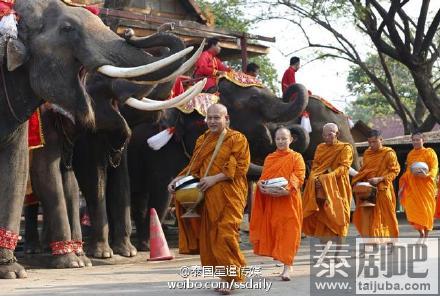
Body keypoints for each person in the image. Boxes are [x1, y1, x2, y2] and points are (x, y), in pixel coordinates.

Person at [168, 104, 250, 294]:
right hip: (208, 197)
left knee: (225, 234)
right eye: (209, 118)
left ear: (226, 118)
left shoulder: (237, 138)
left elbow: (240, 167)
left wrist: (214, 178)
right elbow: (194, 168)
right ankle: (225, 277)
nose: (212, 121)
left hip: (230, 195)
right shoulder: (203, 140)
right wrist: (178, 180)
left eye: (216, 118)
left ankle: (230, 278)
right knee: (211, 237)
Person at [250, 127, 305, 281]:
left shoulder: (296, 157)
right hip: (273, 201)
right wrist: (261, 185)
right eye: (278, 139)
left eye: (284, 138)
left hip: (289, 200)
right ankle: (283, 260)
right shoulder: (270, 158)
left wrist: (287, 190)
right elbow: (265, 176)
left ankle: (287, 266)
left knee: (289, 232)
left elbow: (299, 176)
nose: (281, 141)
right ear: (275, 140)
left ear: (291, 140)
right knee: (276, 231)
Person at [302, 123, 353, 241]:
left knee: (340, 218)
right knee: (322, 219)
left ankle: (337, 255)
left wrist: (326, 178)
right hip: (321, 189)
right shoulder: (320, 147)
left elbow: (344, 167)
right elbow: (316, 166)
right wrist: (315, 179)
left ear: (337, 134)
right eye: (324, 135)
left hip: (339, 187)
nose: (326, 138)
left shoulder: (345, 148)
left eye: (330, 134)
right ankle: (323, 253)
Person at [351, 130, 400, 240]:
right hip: (368, 191)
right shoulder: (367, 153)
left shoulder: (389, 153)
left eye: (374, 142)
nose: (371, 145)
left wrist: (379, 179)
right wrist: (360, 179)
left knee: (389, 217)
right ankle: (370, 243)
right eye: (369, 142)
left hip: (383, 189)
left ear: (381, 140)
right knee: (368, 218)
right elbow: (365, 170)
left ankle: (393, 241)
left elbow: (395, 171)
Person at [399, 133, 438, 238]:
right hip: (413, 187)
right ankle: (421, 232)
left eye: (418, 140)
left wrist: (428, 175)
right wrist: (402, 187)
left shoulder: (429, 152)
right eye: (413, 140)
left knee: (427, 211)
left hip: (426, 186)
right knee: (412, 209)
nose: (415, 142)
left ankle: (426, 234)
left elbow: (434, 167)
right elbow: (408, 171)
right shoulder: (410, 154)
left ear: (423, 140)